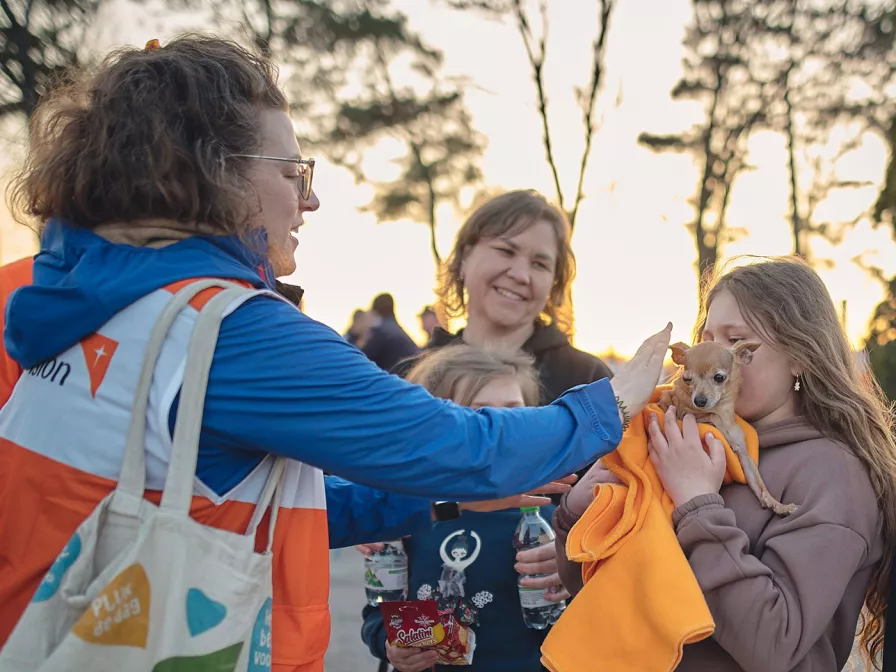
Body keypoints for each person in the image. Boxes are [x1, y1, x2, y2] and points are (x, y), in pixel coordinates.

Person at [0, 36, 670, 670]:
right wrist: (612, 401)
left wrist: (444, 504)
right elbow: (459, 445)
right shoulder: (228, 330)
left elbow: (289, 499)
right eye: (294, 172)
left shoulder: (90, 296)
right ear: (217, 174)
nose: (311, 198)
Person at [555, 257, 896, 671]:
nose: (718, 358)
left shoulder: (832, 475)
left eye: (737, 342)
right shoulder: (685, 439)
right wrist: (580, 513)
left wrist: (697, 504)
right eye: (708, 338)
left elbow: (773, 646)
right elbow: (596, 588)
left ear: (800, 357)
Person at [361, 344, 569, 672]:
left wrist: (573, 576)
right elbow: (380, 609)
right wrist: (391, 644)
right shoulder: (410, 515)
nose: (500, 428)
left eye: (515, 412)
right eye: (478, 415)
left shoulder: (543, 522)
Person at [361, 293, 419, 371]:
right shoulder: (398, 329)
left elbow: (363, 360)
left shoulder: (381, 331)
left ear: (374, 310)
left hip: (394, 378)